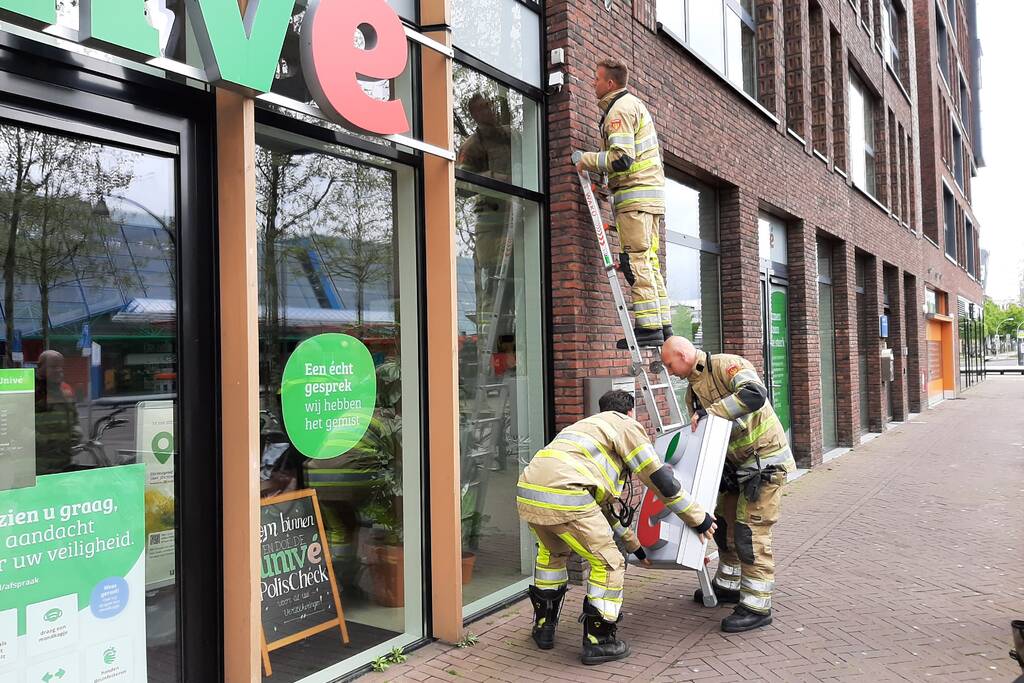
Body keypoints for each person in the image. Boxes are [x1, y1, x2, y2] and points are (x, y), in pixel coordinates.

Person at [517, 389, 716, 664]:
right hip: (569, 496)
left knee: (552, 555)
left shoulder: (585, 428)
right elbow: (660, 479)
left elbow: (600, 511)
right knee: (608, 563)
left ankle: (543, 628)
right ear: (630, 412)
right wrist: (699, 518)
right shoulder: (626, 425)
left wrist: (635, 547)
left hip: (529, 492)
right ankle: (599, 641)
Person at [661, 336, 796, 633]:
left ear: (683, 355)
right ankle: (729, 585)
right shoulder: (692, 392)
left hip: (764, 464)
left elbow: (754, 394)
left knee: (750, 532)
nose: (669, 372)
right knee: (722, 525)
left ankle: (757, 606)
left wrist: (711, 412)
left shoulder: (727, 365)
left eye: (669, 365)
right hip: (736, 468)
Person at [575, 58, 670, 349]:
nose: (593, 83)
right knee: (649, 261)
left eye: (596, 78)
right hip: (648, 199)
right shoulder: (632, 106)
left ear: (610, 83)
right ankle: (663, 325)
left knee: (636, 261)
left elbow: (622, 159)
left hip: (635, 199)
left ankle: (649, 328)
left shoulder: (619, 110)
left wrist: (585, 160)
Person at [34, 349, 83, 475]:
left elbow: (74, 418)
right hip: (38, 465)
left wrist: (76, 432)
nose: (59, 370)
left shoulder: (65, 389)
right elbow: (15, 424)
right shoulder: (29, 389)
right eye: (53, 367)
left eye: (61, 367)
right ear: (40, 366)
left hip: (63, 462)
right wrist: (39, 440)